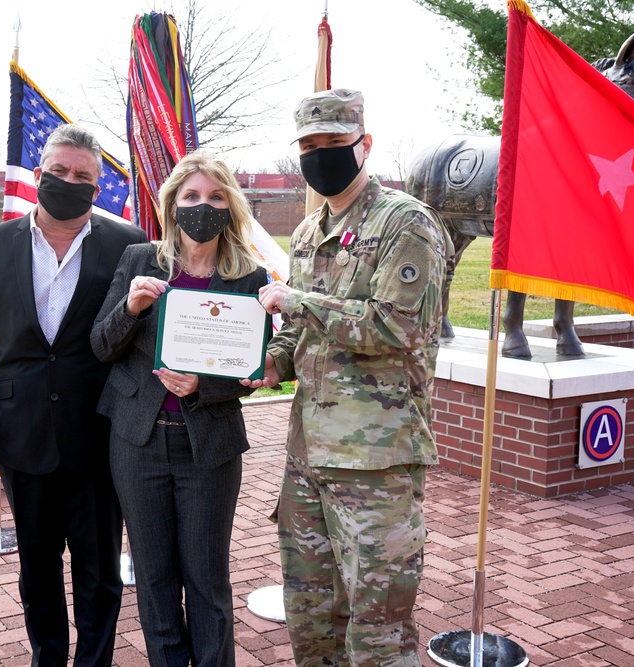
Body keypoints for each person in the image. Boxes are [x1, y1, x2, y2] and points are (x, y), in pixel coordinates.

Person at [242, 89, 451, 667]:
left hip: (375, 463)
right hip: (307, 455)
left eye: (333, 143)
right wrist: (271, 362)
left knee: (378, 625)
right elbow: (299, 331)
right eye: (309, 145)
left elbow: (395, 328)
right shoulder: (309, 232)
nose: (320, 155)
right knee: (311, 613)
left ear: (364, 145)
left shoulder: (406, 223)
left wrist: (296, 302)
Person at [0, 123, 146, 667]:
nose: (69, 181)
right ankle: (48, 659)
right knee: (37, 566)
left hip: (99, 433)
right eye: (59, 171)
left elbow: (137, 338)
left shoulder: (127, 244)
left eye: (83, 175)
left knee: (100, 569)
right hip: (23, 432)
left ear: (98, 187)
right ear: (39, 175)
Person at [90, 151, 269, 667]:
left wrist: (203, 385)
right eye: (191, 196)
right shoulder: (139, 261)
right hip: (137, 440)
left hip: (208, 444)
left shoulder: (248, 277)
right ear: (171, 204)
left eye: (215, 196)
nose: (202, 206)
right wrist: (130, 308)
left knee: (208, 578)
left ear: (230, 205)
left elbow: (248, 375)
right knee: (154, 577)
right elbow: (101, 346)